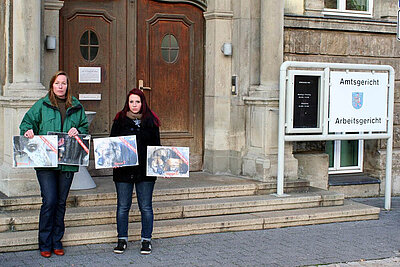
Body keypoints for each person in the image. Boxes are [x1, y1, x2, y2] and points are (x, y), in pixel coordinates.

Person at [19, 70, 88, 258]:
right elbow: (26, 123)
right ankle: (44, 242)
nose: (60, 86)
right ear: (52, 85)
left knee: (60, 202)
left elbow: (85, 128)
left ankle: (57, 240)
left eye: (63, 83)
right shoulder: (41, 105)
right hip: (45, 163)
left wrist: (78, 130)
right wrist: (28, 132)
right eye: (57, 83)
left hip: (67, 163)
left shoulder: (76, 106)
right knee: (49, 201)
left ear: (68, 86)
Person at [110, 88, 161, 255]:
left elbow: (157, 147)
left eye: (137, 102)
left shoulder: (151, 121)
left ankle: (146, 240)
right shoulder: (119, 120)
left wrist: (163, 166)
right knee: (123, 207)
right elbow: (112, 145)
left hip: (145, 172)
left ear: (142, 103)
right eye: (131, 102)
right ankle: (122, 239)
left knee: (145, 207)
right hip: (123, 171)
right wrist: (113, 160)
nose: (134, 105)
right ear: (127, 103)